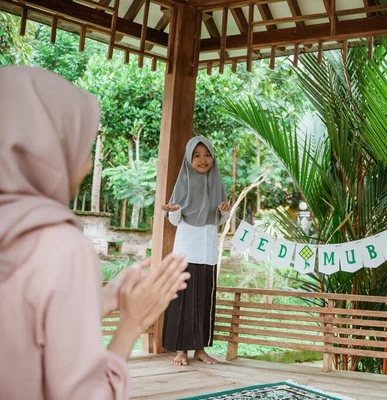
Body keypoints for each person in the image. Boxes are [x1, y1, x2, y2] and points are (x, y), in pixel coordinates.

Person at [0, 66, 191, 399]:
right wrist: (133, 322)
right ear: (46, 151)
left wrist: (101, 300)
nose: (87, 164)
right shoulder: (58, 246)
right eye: (81, 147)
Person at [161, 136, 231, 366]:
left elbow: (220, 219)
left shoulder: (218, 182)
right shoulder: (183, 182)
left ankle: (200, 349)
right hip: (186, 248)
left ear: (213, 157)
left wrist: (224, 211)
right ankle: (181, 351)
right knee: (182, 299)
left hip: (207, 249)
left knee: (203, 299)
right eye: (197, 155)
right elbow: (174, 220)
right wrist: (174, 210)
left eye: (207, 154)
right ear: (189, 159)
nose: (203, 160)